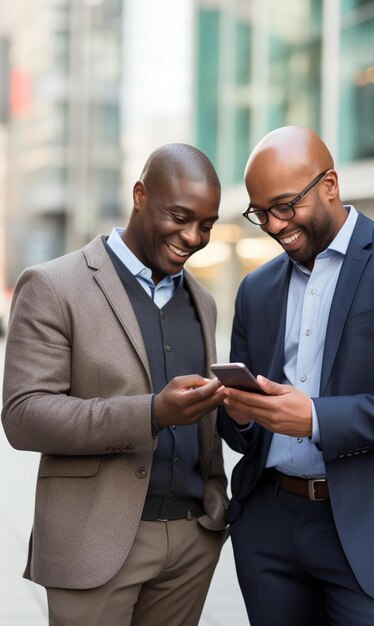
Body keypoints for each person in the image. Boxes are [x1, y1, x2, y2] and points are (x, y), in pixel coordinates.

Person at [218, 126, 374, 626]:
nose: (273, 224)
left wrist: (314, 418)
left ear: (330, 184)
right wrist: (243, 414)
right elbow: (239, 433)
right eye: (260, 212)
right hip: (271, 527)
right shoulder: (256, 289)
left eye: (285, 206)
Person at [2, 143, 229, 626]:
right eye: (180, 216)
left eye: (206, 225)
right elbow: (23, 416)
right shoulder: (52, 285)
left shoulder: (202, 301)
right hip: (94, 542)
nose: (193, 237)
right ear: (140, 194)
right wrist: (151, 413)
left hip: (192, 541)